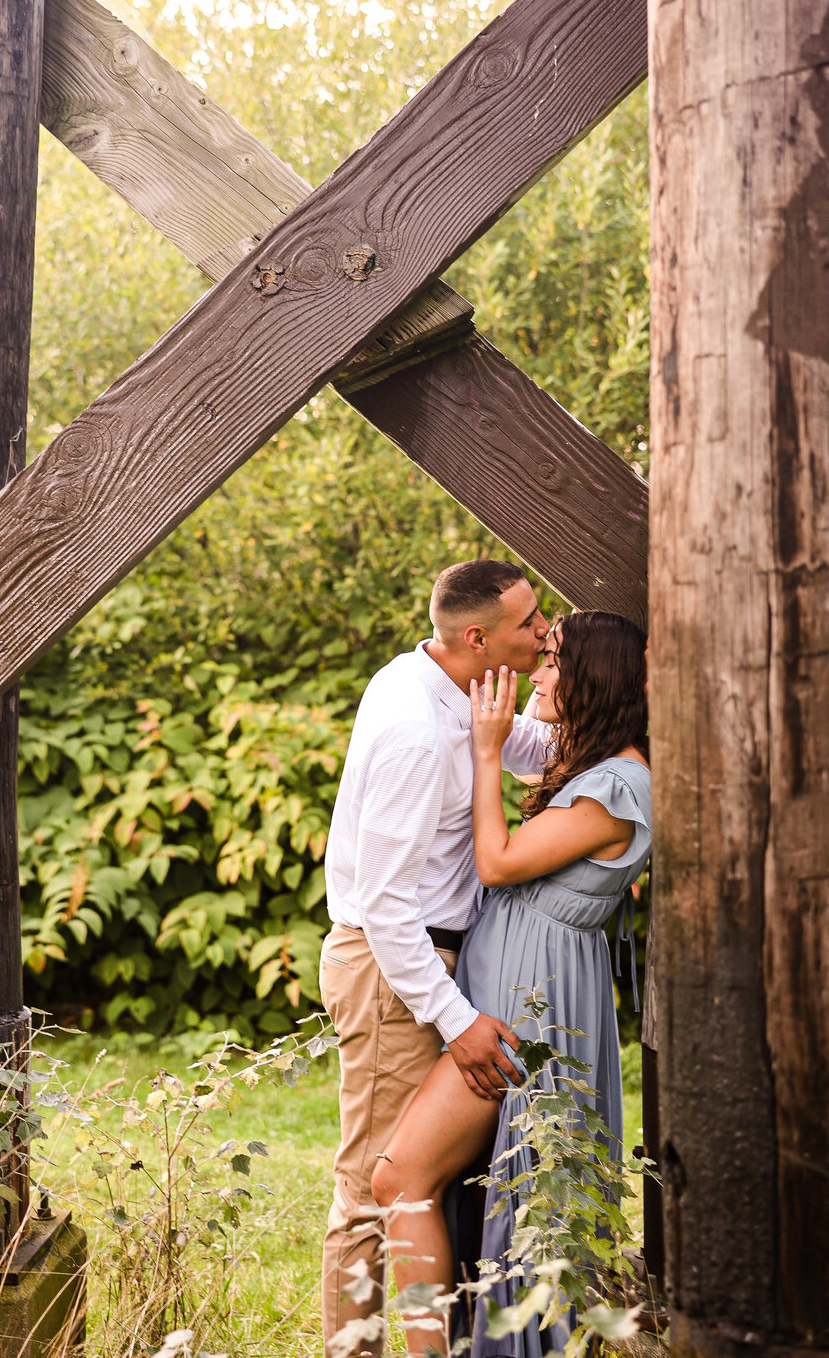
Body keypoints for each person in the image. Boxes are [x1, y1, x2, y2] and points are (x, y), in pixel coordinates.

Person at [372, 611, 651, 1358]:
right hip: (506, 995)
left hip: (533, 1014)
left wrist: (488, 749)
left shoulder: (617, 786)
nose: (537, 672)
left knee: (401, 1180)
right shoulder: (594, 769)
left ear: (592, 675)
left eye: (552, 660)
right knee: (453, 1191)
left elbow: (495, 861)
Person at [320, 560, 553, 1358]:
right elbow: (384, 905)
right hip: (394, 971)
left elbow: (520, 746)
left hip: (424, 961)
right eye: (530, 623)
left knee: (418, 1183)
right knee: (371, 1190)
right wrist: (455, 1020)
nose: (544, 632)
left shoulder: (450, 686)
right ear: (480, 637)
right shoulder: (416, 730)